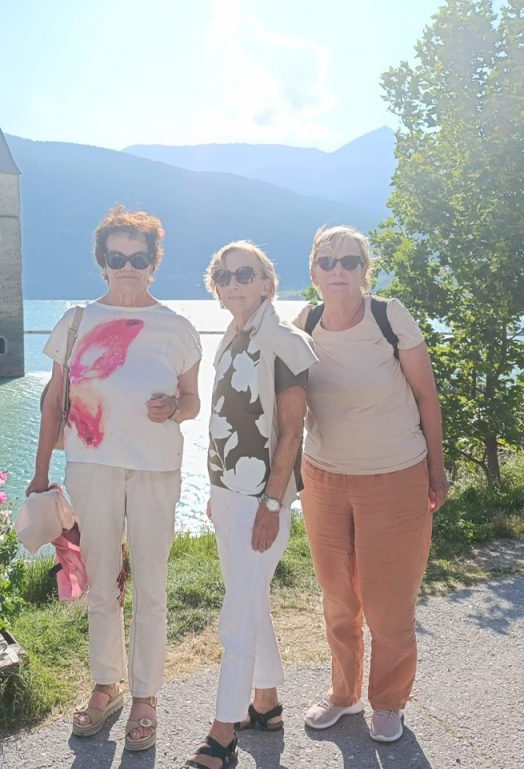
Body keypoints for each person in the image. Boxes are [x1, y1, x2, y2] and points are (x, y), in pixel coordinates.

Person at [28, 206, 202, 752]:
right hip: (91, 467)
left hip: (156, 470)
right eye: (117, 256)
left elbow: (194, 402)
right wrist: (38, 477)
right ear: (102, 263)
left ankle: (146, 697)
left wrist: (174, 406)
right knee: (102, 583)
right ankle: (107, 686)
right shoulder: (76, 322)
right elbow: (54, 402)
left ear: (155, 262)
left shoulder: (177, 327)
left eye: (139, 256)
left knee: (151, 585)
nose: (128, 266)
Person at [295, 225, 448, 744]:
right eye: (327, 261)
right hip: (324, 479)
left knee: (389, 602)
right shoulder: (305, 322)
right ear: (313, 271)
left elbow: (426, 396)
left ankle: (388, 701)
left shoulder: (389, 315)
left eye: (349, 261)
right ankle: (343, 694)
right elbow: (285, 404)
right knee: (337, 596)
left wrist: (436, 468)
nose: (338, 270)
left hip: (396, 477)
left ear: (365, 269)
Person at [183, 242, 316, 769]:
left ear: (267, 283)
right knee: (251, 600)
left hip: (264, 499)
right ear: (215, 288)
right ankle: (266, 704)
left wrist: (272, 503)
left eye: (246, 273)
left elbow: (291, 432)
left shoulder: (285, 341)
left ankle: (222, 734)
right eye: (224, 274)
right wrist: (217, 492)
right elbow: (223, 424)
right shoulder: (233, 339)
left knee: (236, 615)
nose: (233, 282)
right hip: (229, 494)